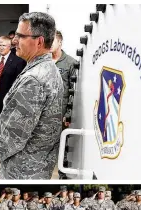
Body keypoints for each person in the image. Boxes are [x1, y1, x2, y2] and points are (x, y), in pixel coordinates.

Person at [0, 12, 63, 179]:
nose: (14, 40)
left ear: (39, 41)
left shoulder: (34, 78)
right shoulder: (46, 67)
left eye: (21, 36)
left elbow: (15, 132)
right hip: (38, 163)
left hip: (23, 168)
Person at [50, 30, 77, 179]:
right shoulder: (44, 60)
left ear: (60, 42)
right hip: (44, 110)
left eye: (52, 41)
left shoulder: (70, 63)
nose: (49, 44)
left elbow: (73, 91)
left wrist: (67, 114)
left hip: (60, 111)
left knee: (62, 143)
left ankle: (62, 172)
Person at [0, 36, 26, 132]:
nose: (1, 47)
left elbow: (18, 83)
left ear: (10, 46)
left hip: (9, 99)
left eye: (4, 45)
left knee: (7, 124)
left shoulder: (18, 61)